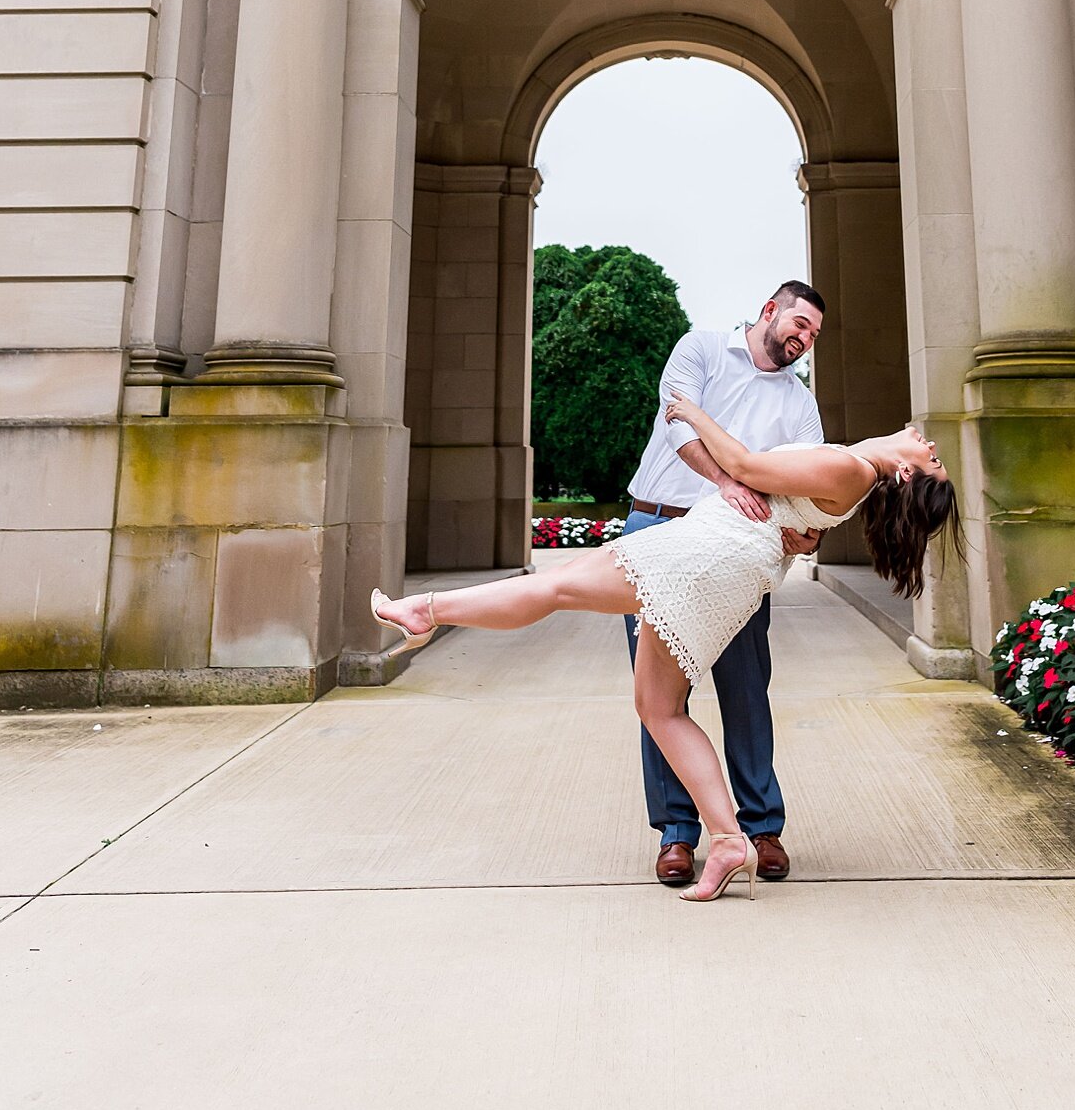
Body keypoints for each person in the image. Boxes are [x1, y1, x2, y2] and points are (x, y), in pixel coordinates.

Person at [370, 396, 961, 904]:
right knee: (658, 708)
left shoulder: (850, 468)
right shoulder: (850, 468)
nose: (928, 442)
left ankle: (425, 612)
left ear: (907, 477)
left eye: (931, 459)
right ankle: (728, 842)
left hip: (706, 556)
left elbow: (746, 465)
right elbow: (790, 508)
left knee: (557, 587)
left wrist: (692, 413)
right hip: (723, 560)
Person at [618, 283, 828, 891]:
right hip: (659, 527)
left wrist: (804, 532)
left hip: (737, 551)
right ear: (769, 311)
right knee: (660, 698)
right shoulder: (701, 350)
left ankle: (762, 828)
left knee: (744, 688)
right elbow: (679, 428)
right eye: (799, 323)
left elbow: (807, 482)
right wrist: (725, 483)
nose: (804, 338)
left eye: (813, 335)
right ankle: (677, 836)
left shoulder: (800, 404)